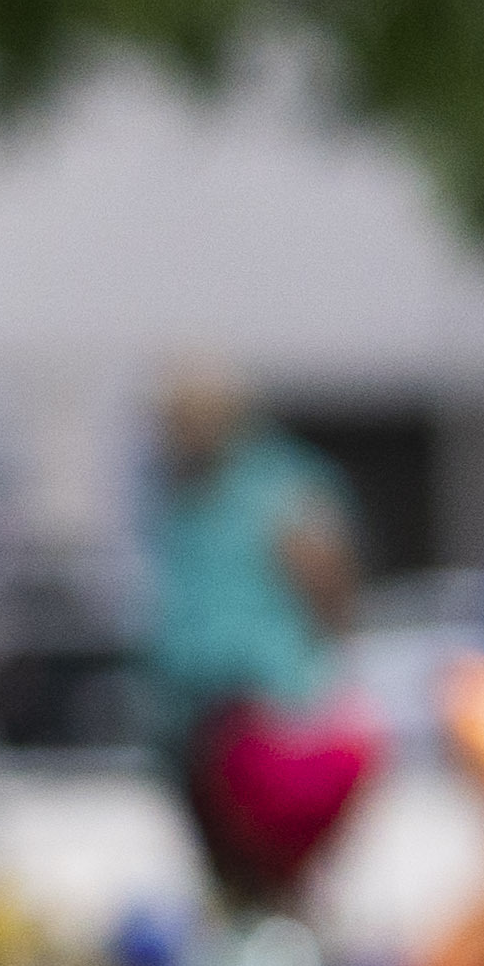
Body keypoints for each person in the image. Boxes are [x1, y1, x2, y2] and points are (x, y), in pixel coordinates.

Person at [136, 362, 373, 902]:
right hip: (192, 719)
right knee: (227, 879)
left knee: (272, 874)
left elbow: (329, 585)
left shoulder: (278, 484)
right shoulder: (177, 493)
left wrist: (331, 683)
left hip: (267, 713)